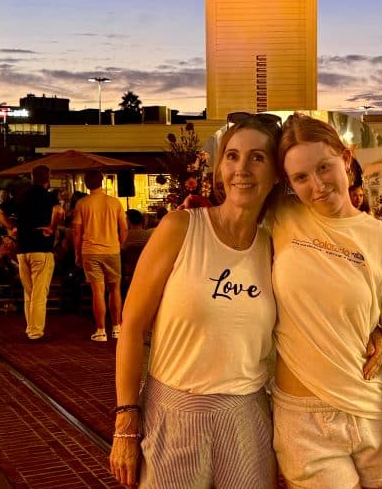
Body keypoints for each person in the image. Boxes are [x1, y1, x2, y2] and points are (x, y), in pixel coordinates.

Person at [111, 115, 282, 488]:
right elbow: (133, 325)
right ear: (220, 168)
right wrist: (126, 422)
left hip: (246, 418)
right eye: (233, 156)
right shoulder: (181, 228)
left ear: (276, 173)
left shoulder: (275, 247)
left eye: (257, 158)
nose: (242, 169)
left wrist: (376, 333)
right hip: (173, 413)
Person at [271, 114, 382, 489]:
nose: (317, 185)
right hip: (305, 420)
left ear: (346, 159)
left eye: (324, 167)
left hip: (375, 416)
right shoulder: (279, 217)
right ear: (289, 184)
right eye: (301, 177)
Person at [2, 165, 62, 341]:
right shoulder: (49, 196)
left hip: (23, 249)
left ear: (32, 177)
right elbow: (59, 211)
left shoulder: (22, 195)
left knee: (29, 291)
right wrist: (52, 227)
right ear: (48, 178)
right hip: (42, 248)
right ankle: (35, 331)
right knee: (39, 292)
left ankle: (30, 328)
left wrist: (11, 226)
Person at [74, 168, 129, 342]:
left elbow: (76, 231)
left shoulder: (82, 204)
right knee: (115, 289)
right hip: (112, 250)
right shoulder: (115, 202)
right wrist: (119, 244)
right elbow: (124, 228)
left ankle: (100, 330)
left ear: (86, 183)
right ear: (102, 181)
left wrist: (77, 253)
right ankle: (117, 327)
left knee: (98, 291)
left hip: (90, 251)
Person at [119, 209, 152, 300]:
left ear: (127, 221)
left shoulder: (122, 237)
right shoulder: (150, 236)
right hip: (147, 270)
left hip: (127, 272)